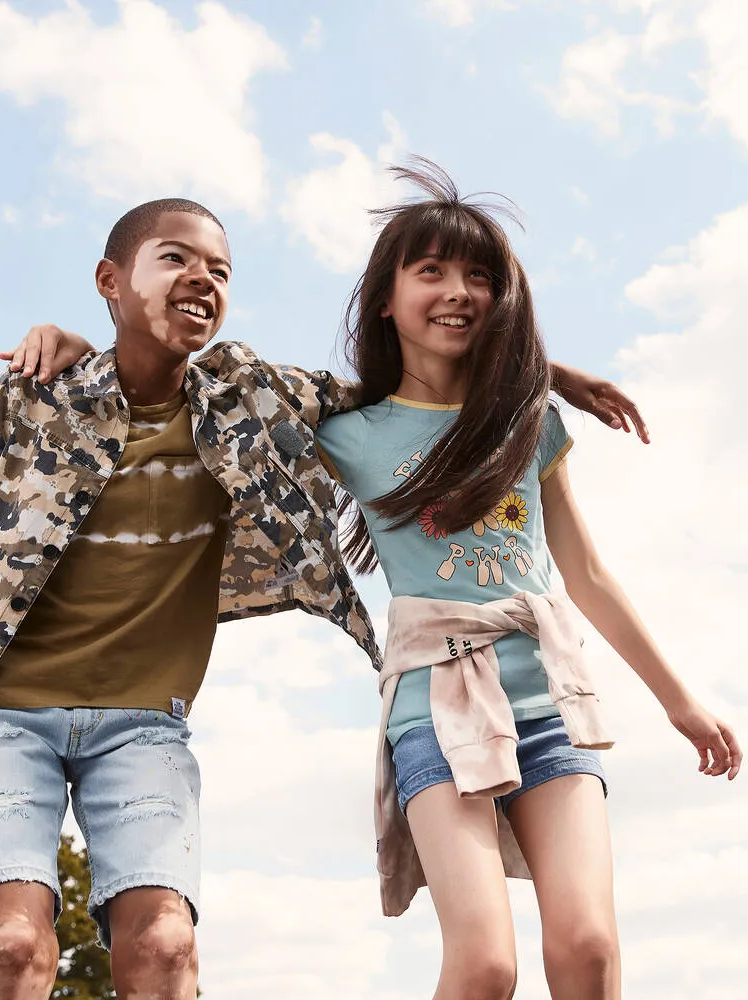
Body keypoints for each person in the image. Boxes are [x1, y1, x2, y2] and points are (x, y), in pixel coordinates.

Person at [0, 194, 642, 1000]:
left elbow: (407, 388)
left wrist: (545, 372)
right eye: (175, 257)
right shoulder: (33, 399)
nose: (202, 279)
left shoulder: (249, 398)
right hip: (3, 722)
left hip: (144, 727)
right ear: (111, 279)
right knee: (13, 948)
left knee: (165, 950)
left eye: (220, 270)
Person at [311, 161, 740, 1000]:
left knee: (587, 948)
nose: (457, 291)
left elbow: (585, 570)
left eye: (478, 274)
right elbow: (214, 398)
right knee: (485, 966)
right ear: (386, 297)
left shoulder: (529, 424)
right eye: (430, 271)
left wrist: (678, 699)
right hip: (434, 709)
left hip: (549, 701)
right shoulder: (346, 432)